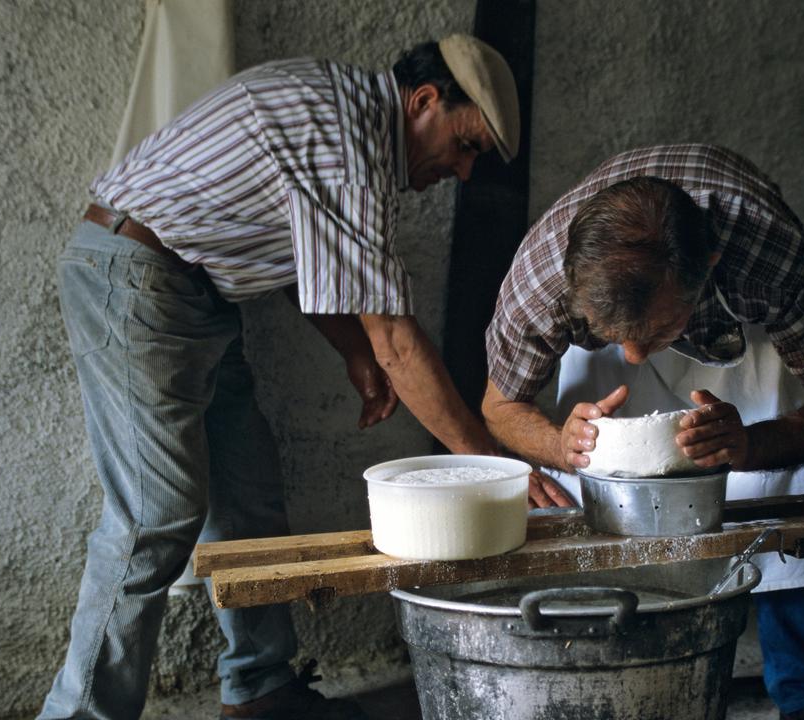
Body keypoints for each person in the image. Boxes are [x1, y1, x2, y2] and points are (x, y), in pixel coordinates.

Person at [41, 35, 520, 720]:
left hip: (192, 291)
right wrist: (488, 466)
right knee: (154, 516)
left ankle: (261, 688)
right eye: (467, 144)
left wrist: (353, 352)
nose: (464, 172)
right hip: (138, 279)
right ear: (424, 101)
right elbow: (398, 342)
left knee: (248, 498)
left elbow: (308, 262)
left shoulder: (346, 117)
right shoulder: (351, 148)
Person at [481, 144, 804, 720]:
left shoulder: (770, 261)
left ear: (711, 261)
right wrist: (558, 445)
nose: (636, 355)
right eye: (614, 332)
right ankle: (627, 697)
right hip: (609, 381)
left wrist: (753, 445)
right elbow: (499, 407)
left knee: (788, 523)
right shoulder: (540, 285)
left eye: (659, 328)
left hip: (750, 355)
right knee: (600, 530)